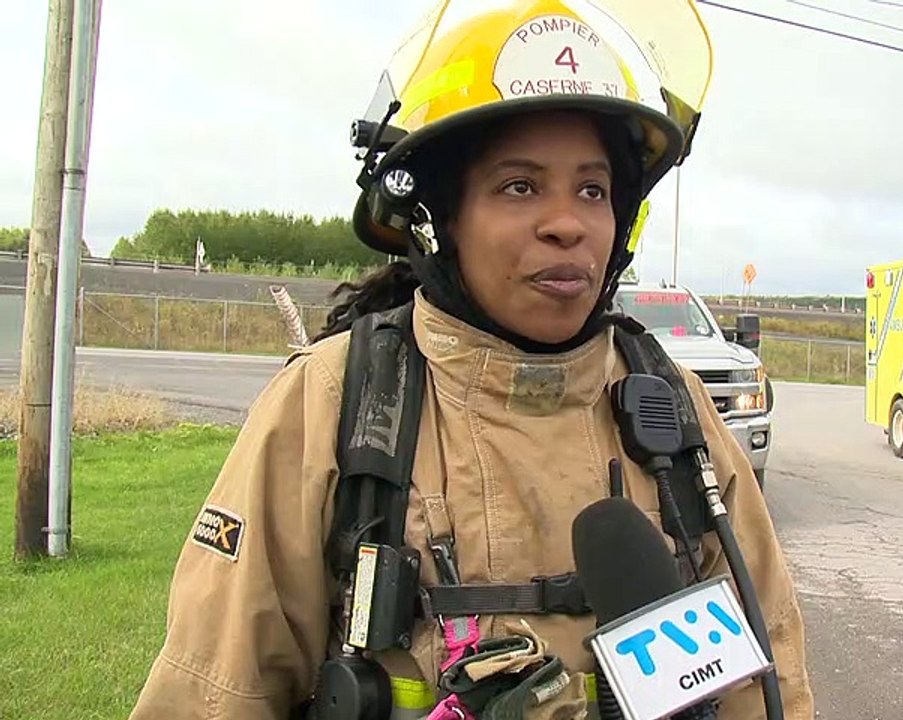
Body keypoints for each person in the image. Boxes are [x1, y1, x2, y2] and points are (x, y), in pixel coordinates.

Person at [127, 2, 815, 719]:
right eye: (519, 186)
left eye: (593, 189)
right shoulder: (334, 402)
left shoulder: (671, 406)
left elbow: (767, 686)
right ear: (441, 217)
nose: (567, 223)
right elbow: (215, 693)